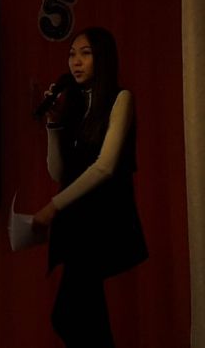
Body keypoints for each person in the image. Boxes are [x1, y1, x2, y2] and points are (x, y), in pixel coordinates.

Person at [32, 27, 148, 348]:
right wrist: (53, 124)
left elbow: (105, 166)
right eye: (72, 54)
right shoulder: (74, 104)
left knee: (69, 316)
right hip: (78, 227)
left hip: (104, 222)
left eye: (85, 54)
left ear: (103, 57)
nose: (76, 62)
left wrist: (53, 206)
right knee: (85, 319)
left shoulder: (120, 99)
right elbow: (59, 172)